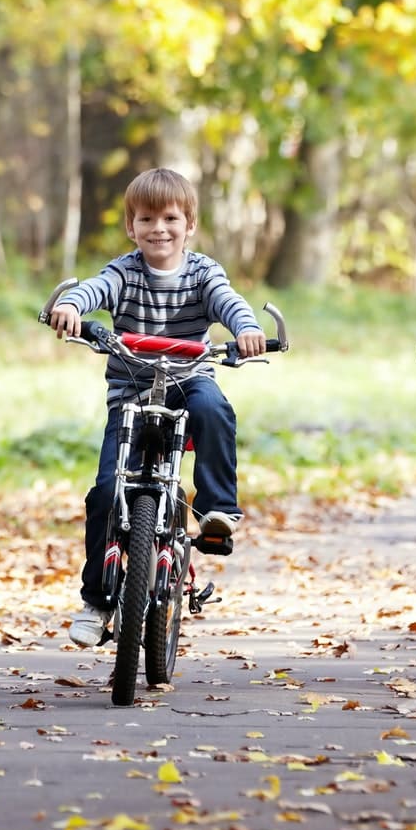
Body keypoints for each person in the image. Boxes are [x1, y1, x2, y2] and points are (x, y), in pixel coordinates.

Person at [45, 168, 267, 647]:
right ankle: (96, 600)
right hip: (130, 390)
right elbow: (94, 289)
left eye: (170, 218)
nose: (159, 228)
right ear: (131, 227)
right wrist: (74, 309)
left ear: (189, 225)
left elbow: (228, 302)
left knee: (214, 409)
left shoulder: (203, 272)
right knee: (106, 493)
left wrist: (245, 329)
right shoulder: (124, 272)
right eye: (146, 219)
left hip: (190, 381)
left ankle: (217, 511)